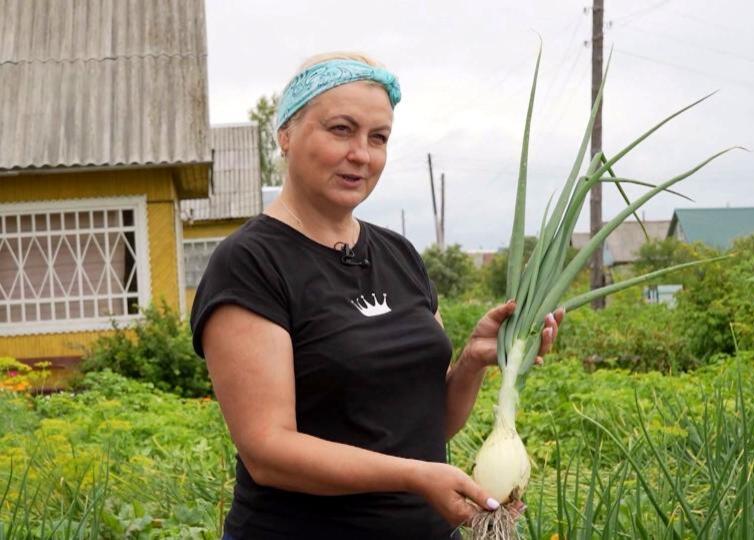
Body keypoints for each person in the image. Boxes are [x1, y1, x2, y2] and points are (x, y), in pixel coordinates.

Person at [190, 52, 564, 539]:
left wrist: (471, 361)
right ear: (285, 134)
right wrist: (413, 475)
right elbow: (268, 453)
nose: (362, 154)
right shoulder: (251, 263)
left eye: (378, 137)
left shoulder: (399, 255)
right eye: (341, 130)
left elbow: (426, 429)